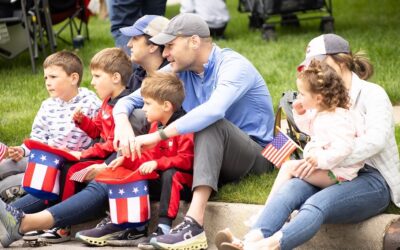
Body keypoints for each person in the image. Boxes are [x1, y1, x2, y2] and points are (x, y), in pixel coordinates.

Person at [215, 33, 400, 250]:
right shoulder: (327, 96)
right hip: (332, 169)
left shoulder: (372, 94)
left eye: (321, 62)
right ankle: (248, 241)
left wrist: (322, 159)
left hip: (372, 180)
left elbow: (374, 142)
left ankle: (268, 247)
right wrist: (306, 127)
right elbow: (317, 133)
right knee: (290, 189)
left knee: (315, 205)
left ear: (341, 61)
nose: (317, 68)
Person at [0, 14, 169, 249]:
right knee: (58, 172)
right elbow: (104, 126)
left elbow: (131, 132)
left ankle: (31, 222)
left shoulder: (165, 82)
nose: (129, 43)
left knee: (77, 174)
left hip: (147, 160)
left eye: (135, 39)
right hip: (118, 154)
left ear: (152, 45)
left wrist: (98, 155)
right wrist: (87, 126)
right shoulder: (136, 80)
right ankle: (13, 217)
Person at [111, 13, 275, 249]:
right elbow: (129, 101)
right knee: (138, 116)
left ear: (194, 42)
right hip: (207, 155)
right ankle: (125, 218)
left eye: (170, 46)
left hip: (253, 156)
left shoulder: (234, 66)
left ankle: (194, 225)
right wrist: (122, 124)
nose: (165, 53)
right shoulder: (180, 70)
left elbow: (214, 110)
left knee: (209, 124)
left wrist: (159, 135)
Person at [76, 72, 194, 248]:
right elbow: (149, 155)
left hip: (182, 183)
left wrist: (157, 164)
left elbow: (187, 160)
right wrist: (126, 161)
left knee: (171, 173)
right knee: (130, 172)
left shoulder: (184, 127)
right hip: (160, 179)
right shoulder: (156, 125)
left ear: (166, 106)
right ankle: (135, 227)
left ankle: (163, 227)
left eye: (147, 103)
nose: (143, 109)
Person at [0, 51, 101, 203]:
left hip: (61, 166)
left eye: (53, 77)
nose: (47, 82)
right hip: (41, 156)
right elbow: (38, 138)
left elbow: (98, 135)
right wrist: (22, 150)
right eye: (46, 77)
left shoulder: (91, 103)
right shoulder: (47, 105)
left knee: (7, 185)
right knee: (6, 166)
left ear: (73, 78)